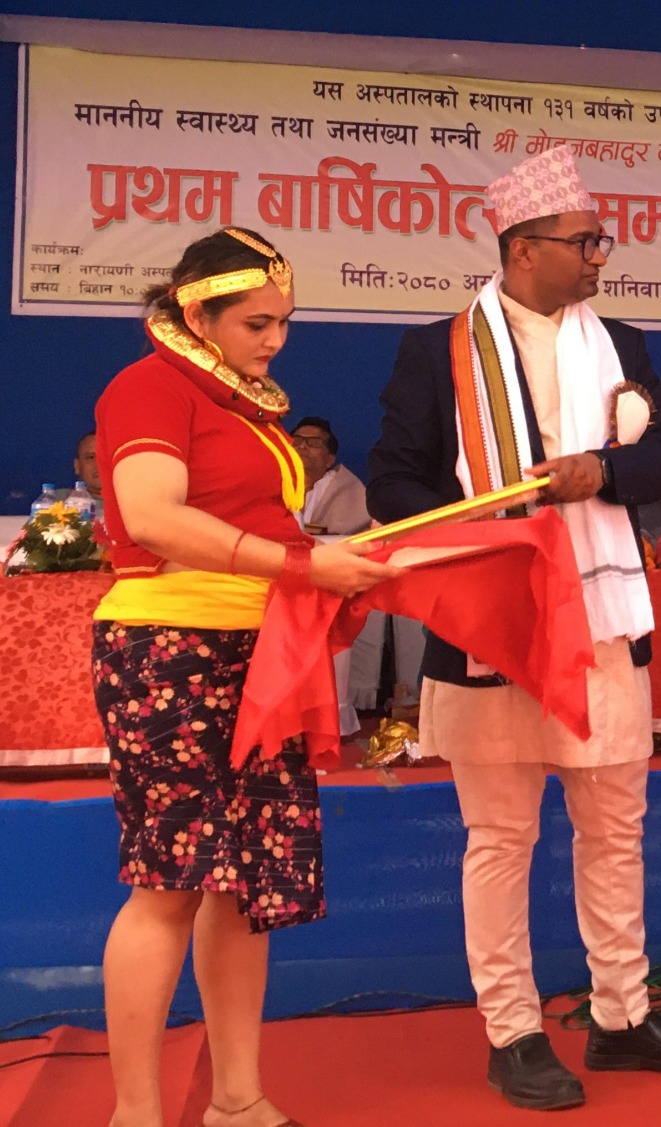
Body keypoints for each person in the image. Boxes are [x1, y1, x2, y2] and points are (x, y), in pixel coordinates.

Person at [366, 146, 661, 1112]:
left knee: (615, 828)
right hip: (491, 623)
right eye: (586, 241)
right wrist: (483, 521)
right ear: (525, 250)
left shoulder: (623, 341)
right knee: (501, 837)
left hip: (603, 622)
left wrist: (599, 473)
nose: (601, 256)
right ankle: (514, 1032)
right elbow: (393, 483)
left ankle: (622, 1013)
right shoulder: (436, 350)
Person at [90, 227, 397, 1127]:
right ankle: (135, 1113)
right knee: (171, 881)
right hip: (170, 650)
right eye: (257, 322)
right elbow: (151, 517)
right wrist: (305, 567)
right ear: (199, 312)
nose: (275, 340)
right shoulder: (147, 386)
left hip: (259, 651)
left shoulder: (247, 408)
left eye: (284, 323)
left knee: (246, 883)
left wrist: (332, 561)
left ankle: (236, 1098)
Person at [289, 416, 369, 535]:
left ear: (330, 460)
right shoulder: (269, 484)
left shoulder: (351, 494)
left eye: (314, 443)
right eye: (297, 441)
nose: (302, 447)